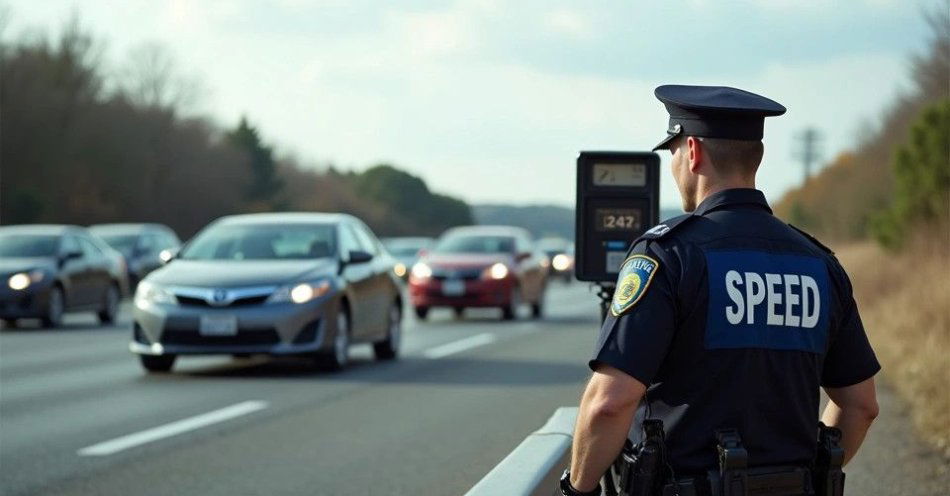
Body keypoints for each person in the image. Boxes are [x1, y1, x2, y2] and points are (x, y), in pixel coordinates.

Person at [560, 85, 880, 495]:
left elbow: (610, 404)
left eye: (672, 151)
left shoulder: (668, 255)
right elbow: (861, 406)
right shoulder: (819, 262)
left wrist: (577, 490)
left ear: (692, 152)